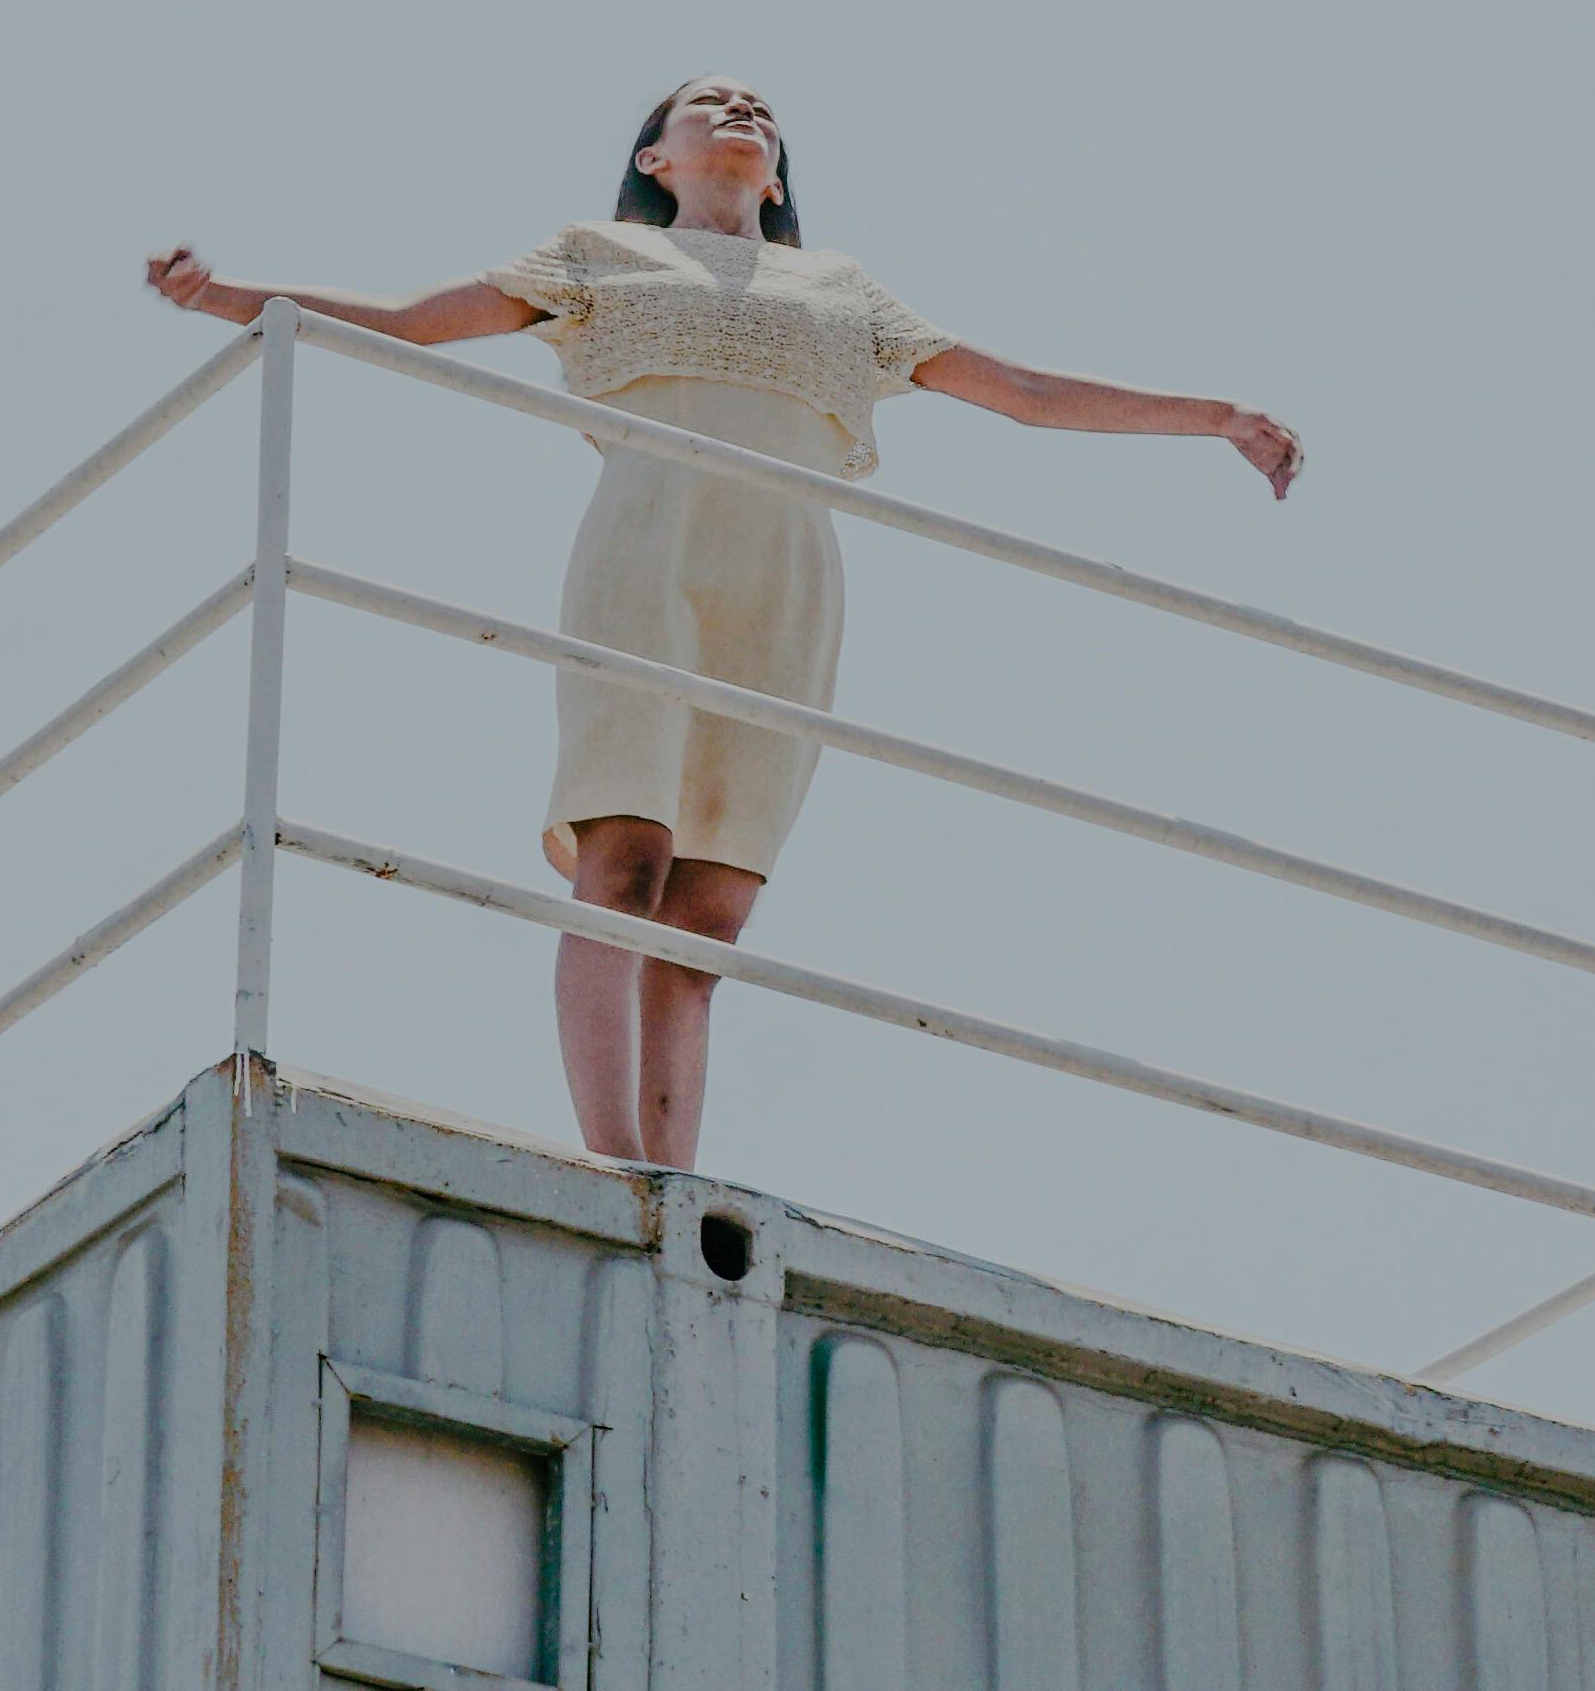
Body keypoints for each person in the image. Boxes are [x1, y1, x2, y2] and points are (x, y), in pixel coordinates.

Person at [145, 75, 1303, 1172]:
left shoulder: (844, 294)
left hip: (787, 579)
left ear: (781, 176)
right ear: (655, 157)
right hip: (648, 551)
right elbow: (411, 318)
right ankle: (610, 1164)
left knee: (708, 912)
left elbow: (1028, 395)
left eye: (760, 107)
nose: (740, 108)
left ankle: (673, 1185)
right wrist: (227, 296)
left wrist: (1215, 417)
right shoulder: (599, 255)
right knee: (624, 857)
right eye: (709, 101)